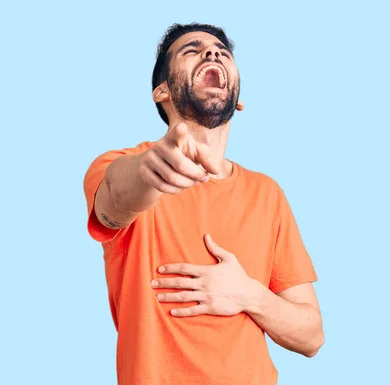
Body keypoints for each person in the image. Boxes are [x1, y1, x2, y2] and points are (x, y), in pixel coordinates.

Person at [83, 23, 324, 385]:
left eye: (222, 52)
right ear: (161, 91)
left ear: (236, 98)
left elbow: (311, 336)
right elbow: (117, 197)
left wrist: (249, 295)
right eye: (191, 50)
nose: (213, 53)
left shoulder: (267, 194)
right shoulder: (119, 165)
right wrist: (150, 172)